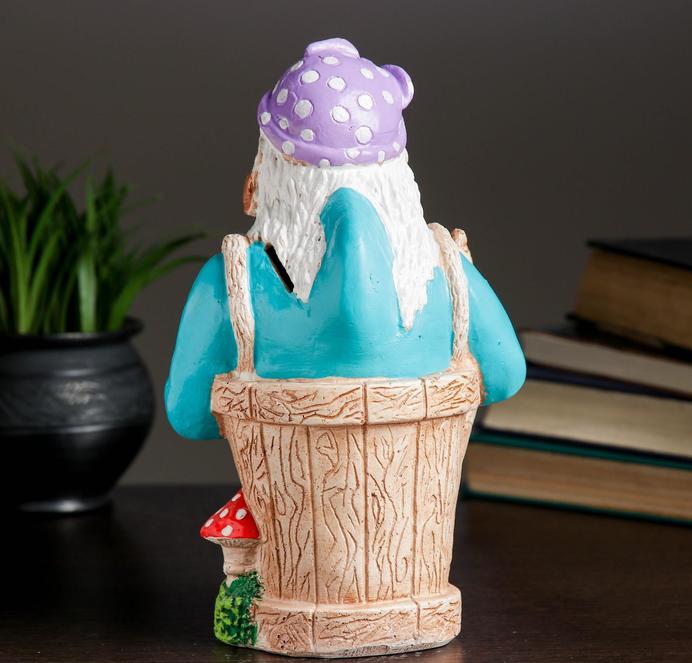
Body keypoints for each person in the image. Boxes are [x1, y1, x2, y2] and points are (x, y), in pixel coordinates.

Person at [165, 38, 525, 440]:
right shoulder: (450, 275)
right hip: (423, 481)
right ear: (398, 177)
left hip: (282, 480)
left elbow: (189, 416)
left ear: (267, 174)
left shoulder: (229, 286)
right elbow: (506, 375)